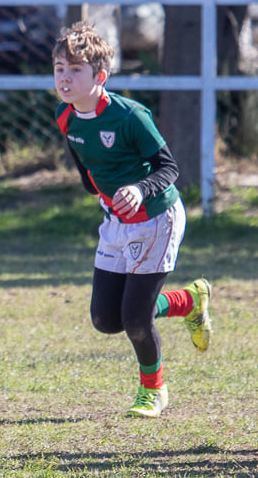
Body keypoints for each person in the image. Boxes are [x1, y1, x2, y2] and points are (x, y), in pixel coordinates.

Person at [52, 22, 212, 418]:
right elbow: (84, 164)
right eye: (59, 69)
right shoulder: (65, 116)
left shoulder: (130, 117)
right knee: (106, 320)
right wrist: (101, 195)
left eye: (75, 70)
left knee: (136, 321)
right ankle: (188, 301)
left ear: (99, 76)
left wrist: (139, 189)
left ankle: (153, 391)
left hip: (157, 218)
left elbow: (169, 168)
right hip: (115, 222)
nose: (65, 78)